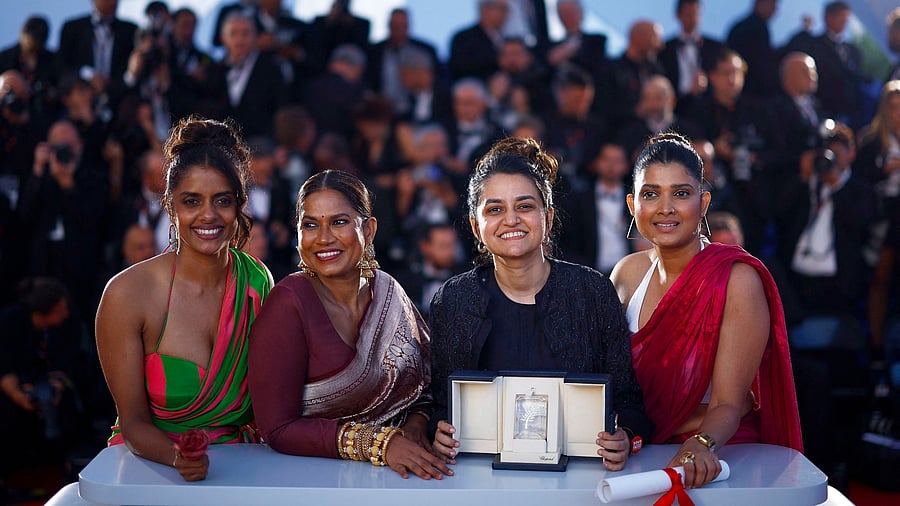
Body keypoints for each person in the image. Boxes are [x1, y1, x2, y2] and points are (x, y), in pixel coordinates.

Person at [429, 137, 653, 472]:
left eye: (524, 206)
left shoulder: (592, 291)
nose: (511, 220)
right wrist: (439, 432)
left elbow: (630, 402)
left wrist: (625, 436)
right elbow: (439, 406)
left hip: (581, 481)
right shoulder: (453, 301)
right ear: (477, 227)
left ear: (547, 217)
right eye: (495, 210)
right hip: (479, 483)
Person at [610, 132, 803, 488]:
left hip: (720, 455)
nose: (665, 207)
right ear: (632, 204)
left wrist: (700, 444)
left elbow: (728, 404)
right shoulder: (625, 274)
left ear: (704, 202)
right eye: (650, 194)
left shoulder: (737, 279)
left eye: (681, 194)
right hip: (644, 453)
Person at [95, 116, 273, 482]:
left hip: (244, 470)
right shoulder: (127, 294)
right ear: (170, 206)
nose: (208, 215)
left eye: (222, 200)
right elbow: (132, 423)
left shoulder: (257, 281)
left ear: (240, 204)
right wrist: (179, 459)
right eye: (192, 201)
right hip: (149, 471)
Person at [248, 170, 452, 481]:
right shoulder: (289, 303)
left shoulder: (388, 292)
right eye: (310, 224)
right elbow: (277, 428)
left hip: (402, 479)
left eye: (339, 222)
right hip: (312, 483)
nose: (324, 237)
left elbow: (424, 386)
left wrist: (415, 425)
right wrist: (379, 443)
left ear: (368, 230)